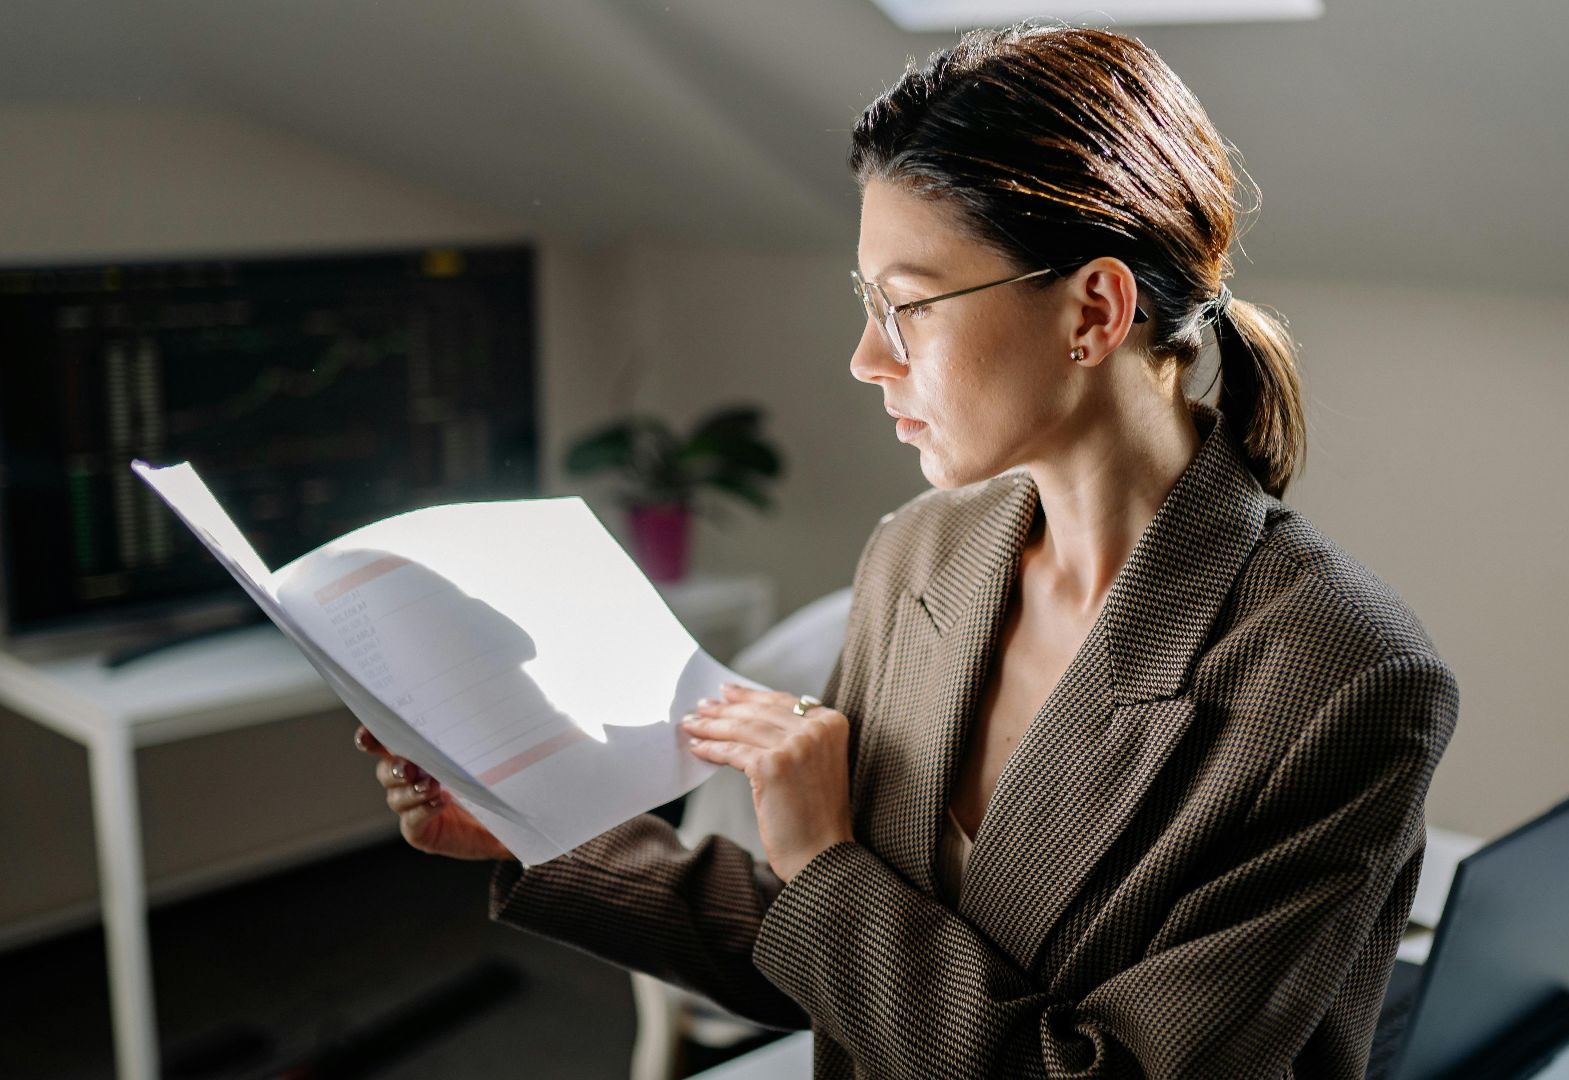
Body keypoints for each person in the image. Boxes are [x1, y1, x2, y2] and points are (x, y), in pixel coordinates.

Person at [356, 24, 1458, 1078]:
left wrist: (825, 859)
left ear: (1095, 310)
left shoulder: (1347, 681)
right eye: (866, 302)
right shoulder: (919, 556)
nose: (865, 358)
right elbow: (832, 962)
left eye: (909, 306)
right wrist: (530, 831)